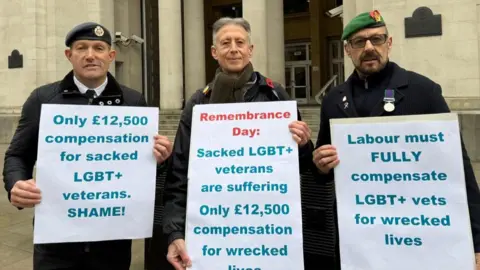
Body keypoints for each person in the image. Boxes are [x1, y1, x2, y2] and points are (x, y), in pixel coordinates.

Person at [312, 10, 480, 269]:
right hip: (357, 239)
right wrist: (321, 165)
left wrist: (477, 242)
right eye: (359, 42)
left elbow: (459, 169)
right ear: (347, 50)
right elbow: (325, 161)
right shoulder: (334, 100)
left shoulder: (423, 91)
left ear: (388, 44)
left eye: (376, 39)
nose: (369, 47)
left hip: (417, 233)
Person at [2, 22, 173, 270]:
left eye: (99, 48)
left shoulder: (133, 101)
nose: (90, 55)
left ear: (111, 56)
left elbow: (142, 170)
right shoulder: (43, 99)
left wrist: (159, 159)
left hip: (112, 240)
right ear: (69, 55)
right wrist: (16, 184)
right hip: (56, 242)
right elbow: (17, 155)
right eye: (81, 48)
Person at [162, 17, 314, 270]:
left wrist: (304, 144)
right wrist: (175, 232)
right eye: (225, 43)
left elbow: (300, 168)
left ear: (250, 49)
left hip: (266, 229)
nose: (234, 48)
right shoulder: (199, 102)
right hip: (213, 231)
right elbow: (179, 172)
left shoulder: (275, 95)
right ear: (214, 52)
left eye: (240, 42)